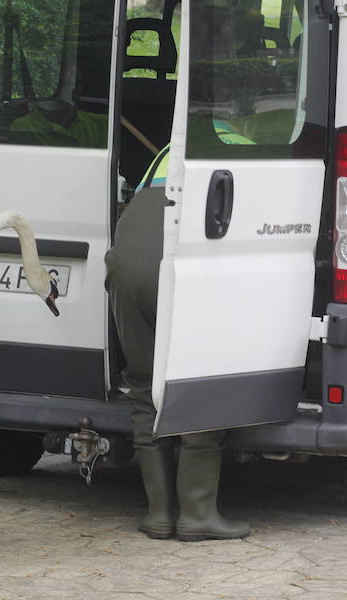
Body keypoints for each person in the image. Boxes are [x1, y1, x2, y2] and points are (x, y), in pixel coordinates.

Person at [104, 144, 251, 541]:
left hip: (126, 263)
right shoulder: (243, 148)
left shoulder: (168, 149)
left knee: (145, 385)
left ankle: (159, 515)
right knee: (198, 384)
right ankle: (198, 515)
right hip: (177, 259)